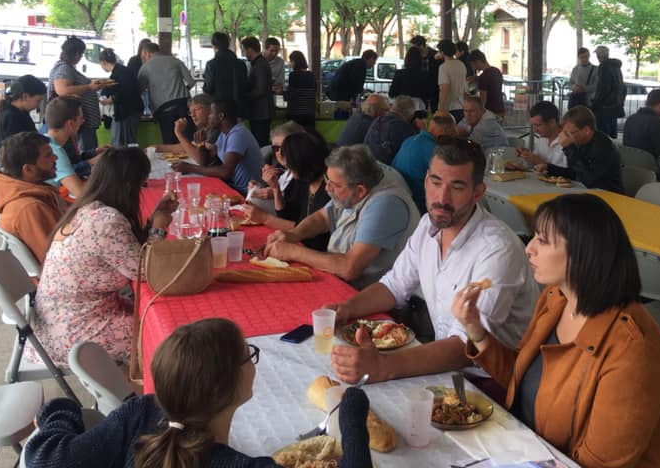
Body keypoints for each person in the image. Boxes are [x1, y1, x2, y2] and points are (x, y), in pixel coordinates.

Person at [452, 193, 660, 467]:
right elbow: (521, 380)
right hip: (529, 450)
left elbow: (597, 464)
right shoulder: (556, 299)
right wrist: (475, 329)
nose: (528, 248)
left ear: (583, 254)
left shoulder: (633, 352)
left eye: (543, 241)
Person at [23, 318, 373, 468]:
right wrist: (352, 407)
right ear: (232, 384)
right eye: (248, 355)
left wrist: (61, 409)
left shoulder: (141, 412)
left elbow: (47, 458)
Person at [326, 140, 539, 384]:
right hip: (444, 366)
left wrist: (383, 367)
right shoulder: (429, 224)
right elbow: (394, 286)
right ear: (426, 181)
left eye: (457, 187)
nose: (442, 198)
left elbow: (466, 346)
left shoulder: (497, 250)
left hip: (492, 382)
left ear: (477, 192)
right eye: (436, 182)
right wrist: (346, 309)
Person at [31, 147, 176, 366]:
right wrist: (157, 229)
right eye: (140, 184)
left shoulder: (89, 209)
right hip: (73, 334)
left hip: (63, 321)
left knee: (156, 313)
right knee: (165, 330)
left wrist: (151, 220)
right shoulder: (105, 221)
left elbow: (127, 251)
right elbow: (146, 272)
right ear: (128, 185)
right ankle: (153, 389)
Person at [265, 144, 420, 289]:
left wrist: (293, 252)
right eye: (327, 180)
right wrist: (293, 235)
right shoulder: (352, 188)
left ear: (360, 191)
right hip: (341, 283)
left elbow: (349, 267)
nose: (327, 188)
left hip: (369, 295)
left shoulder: (386, 204)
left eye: (335, 185)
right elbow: (322, 218)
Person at [243, 131, 332, 251]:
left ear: (302, 161)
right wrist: (275, 189)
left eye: (287, 158)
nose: (284, 162)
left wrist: (265, 218)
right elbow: (286, 215)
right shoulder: (301, 180)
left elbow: (309, 235)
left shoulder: (329, 188)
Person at [0, 132, 63, 263]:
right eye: (48, 155)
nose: (55, 158)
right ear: (28, 169)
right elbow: (55, 260)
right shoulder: (30, 209)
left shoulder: (30, 192)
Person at [173, 99, 263, 195]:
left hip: (246, 192)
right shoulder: (223, 133)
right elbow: (205, 163)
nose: (208, 116)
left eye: (211, 113)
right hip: (232, 186)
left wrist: (190, 168)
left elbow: (225, 172)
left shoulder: (237, 135)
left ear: (221, 116)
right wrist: (201, 145)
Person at [537, 106, 623, 193]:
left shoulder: (604, 146)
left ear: (586, 130)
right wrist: (549, 168)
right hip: (587, 191)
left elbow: (589, 180)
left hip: (609, 194)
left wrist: (568, 147)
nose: (565, 137)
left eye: (570, 133)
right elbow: (574, 173)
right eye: (564, 132)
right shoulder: (580, 141)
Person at [48, 36, 104, 152]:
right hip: (79, 124)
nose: (81, 57)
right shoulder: (64, 68)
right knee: (84, 151)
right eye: (81, 53)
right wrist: (89, 87)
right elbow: (62, 90)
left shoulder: (67, 67)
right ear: (76, 54)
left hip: (82, 122)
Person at [392, 112, 457, 212]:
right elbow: (450, 176)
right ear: (446, 131)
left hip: (398, 196)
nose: (454, 137)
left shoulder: (409, 140)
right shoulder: (434, 150)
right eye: (453, 132)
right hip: (418, 204)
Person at [137, 42, 195, 144]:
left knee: (170, 145)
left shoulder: (145, 68)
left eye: (142, 56)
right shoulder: (175, 61)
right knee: (189, 141)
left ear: (146, 53)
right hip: (184, 106)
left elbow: (139, 90)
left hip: (164, 110)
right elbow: (191, 82)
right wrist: (183, 90)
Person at [43, 96, 88, 199]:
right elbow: (81, 194)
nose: (83, 121)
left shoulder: (45, 141)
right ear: (70, 123)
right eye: (81, 118)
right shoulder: (55, 151)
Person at [98, 48, 144, 146]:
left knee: (125, 142)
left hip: (128, 112)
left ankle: (128, 161)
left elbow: (127, 90)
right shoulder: (120, 71)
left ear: (103, 62)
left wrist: (111, 99)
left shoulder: (121, 72)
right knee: (124, 142)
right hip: (128, 111)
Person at [622, 88, 660, 159]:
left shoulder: (631, 119)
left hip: (631, 163)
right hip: (650, 165)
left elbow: (642, 138)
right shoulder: (656, 122)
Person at [0, 74, 47, 148]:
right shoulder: (11, 116)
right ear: (25, 97)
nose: (38, 106)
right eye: (38, 101)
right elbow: (18, 147)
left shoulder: (20, 112)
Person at [363, 94, 419, 164]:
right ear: (410, 115)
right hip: (384, 170)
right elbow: (416, 151)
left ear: (392, 107)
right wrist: (422, 130)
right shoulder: (404, 128)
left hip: (367, 164)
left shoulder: (377, 120)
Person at [240, 36, 274, 147]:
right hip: (261, 111)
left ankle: (263, 164)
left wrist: (244, 96)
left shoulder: (260, 65)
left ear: (249, 49)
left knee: (261, 144)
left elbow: (260, 90)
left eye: (244, 50)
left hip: (261, 112)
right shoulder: (259, 63)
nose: (244, 54)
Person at [202, 32, 247, 115]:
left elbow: (208, 88)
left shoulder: (211, 64)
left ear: (214, 46)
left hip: (218, 107)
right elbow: (244, 85)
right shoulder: (240, 64)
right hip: (237, 106)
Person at [516, 101, 567, 169]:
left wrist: (541, 163)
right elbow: (535, 163)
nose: (534, 130)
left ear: (552, 122)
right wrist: (527, 155)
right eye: (533, 125)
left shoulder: (567, 141)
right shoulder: (543, 138)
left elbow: (569, 174)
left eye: (538, 125)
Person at [589, 46, 624, 139]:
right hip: (614, 105)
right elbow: (622, 87)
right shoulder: (616, 67)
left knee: (603, 135)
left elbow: (603, 88)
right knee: (612, 133)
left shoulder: (604, 67)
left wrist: (595, 103)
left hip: (604, 107)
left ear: (598, 56)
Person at [437, 39, 469, 123]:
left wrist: (440, 110)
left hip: (449, 108)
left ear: (442, 52)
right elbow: (464, 88)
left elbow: (445, 89)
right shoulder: (461, 65)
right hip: (461, 106)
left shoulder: (443, 67)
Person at [284, 50, 317, 130]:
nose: (290, 63)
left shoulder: (293, 75)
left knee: (296, 138)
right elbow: (314, 92)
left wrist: (282, 92)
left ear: (295, 62)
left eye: (291, 61)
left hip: (296, 114)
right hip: (310, 113)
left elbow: (291, 95)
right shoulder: (311, 75)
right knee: (309, 137)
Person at [469, 49, 504, 120]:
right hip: (500, 109)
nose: (474, 68)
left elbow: (483, 99)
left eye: (473, 64)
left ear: (477, 62)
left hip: (490, 111)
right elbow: (492, 83)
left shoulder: (484, 76)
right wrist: (477, 78)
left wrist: (479, 113)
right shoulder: (497, 71)